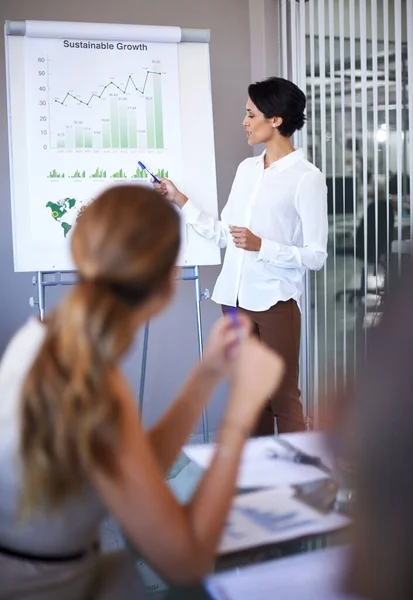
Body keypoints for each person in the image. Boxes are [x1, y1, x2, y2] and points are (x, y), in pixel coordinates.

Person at [0, 185, 284, 599]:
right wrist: (240, 413)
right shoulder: (95, 385)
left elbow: (134, 463)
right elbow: (186, 560)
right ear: (168, 279)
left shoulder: (43, 340)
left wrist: (207, 375)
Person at [153, 76, 328, 435]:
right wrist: (178, 198)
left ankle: (300, 483)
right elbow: (224, 234)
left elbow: (316, 255)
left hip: (275, 302)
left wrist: (263, 245)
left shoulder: (307, 178)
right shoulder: (246, 170)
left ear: (275, 119)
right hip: (233, 301)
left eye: (251, 114)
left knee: (283, 397)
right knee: (250, 395)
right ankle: (258, 479)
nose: (244, 122)